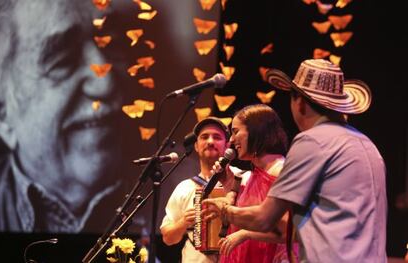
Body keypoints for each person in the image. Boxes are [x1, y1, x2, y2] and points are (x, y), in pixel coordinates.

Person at [204, 59, 387, 262]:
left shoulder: (312, 141)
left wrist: (225, 211)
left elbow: (265, 219)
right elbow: (307, 226)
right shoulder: (368, 145)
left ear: (299, 102)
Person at [0, 0, 132, 232]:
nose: (105, 83)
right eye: (62, 59)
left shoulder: (184, 191)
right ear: (2, 113)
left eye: (111, 43)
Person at [217, 104, 298, 263]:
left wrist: (246, 234)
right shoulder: (254, 174)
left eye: (236, 131)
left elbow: (288, 231)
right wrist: (227, 183)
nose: (232, 140)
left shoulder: (280, 171)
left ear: (256, 131)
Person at [160, 117, 235, 263]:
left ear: (227, 146)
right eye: (204, 137)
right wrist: (183, 223)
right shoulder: (184, 188)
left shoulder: (243, 179)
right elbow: (168, 239)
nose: (210, 141)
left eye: (217, 137)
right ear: (196, 146)